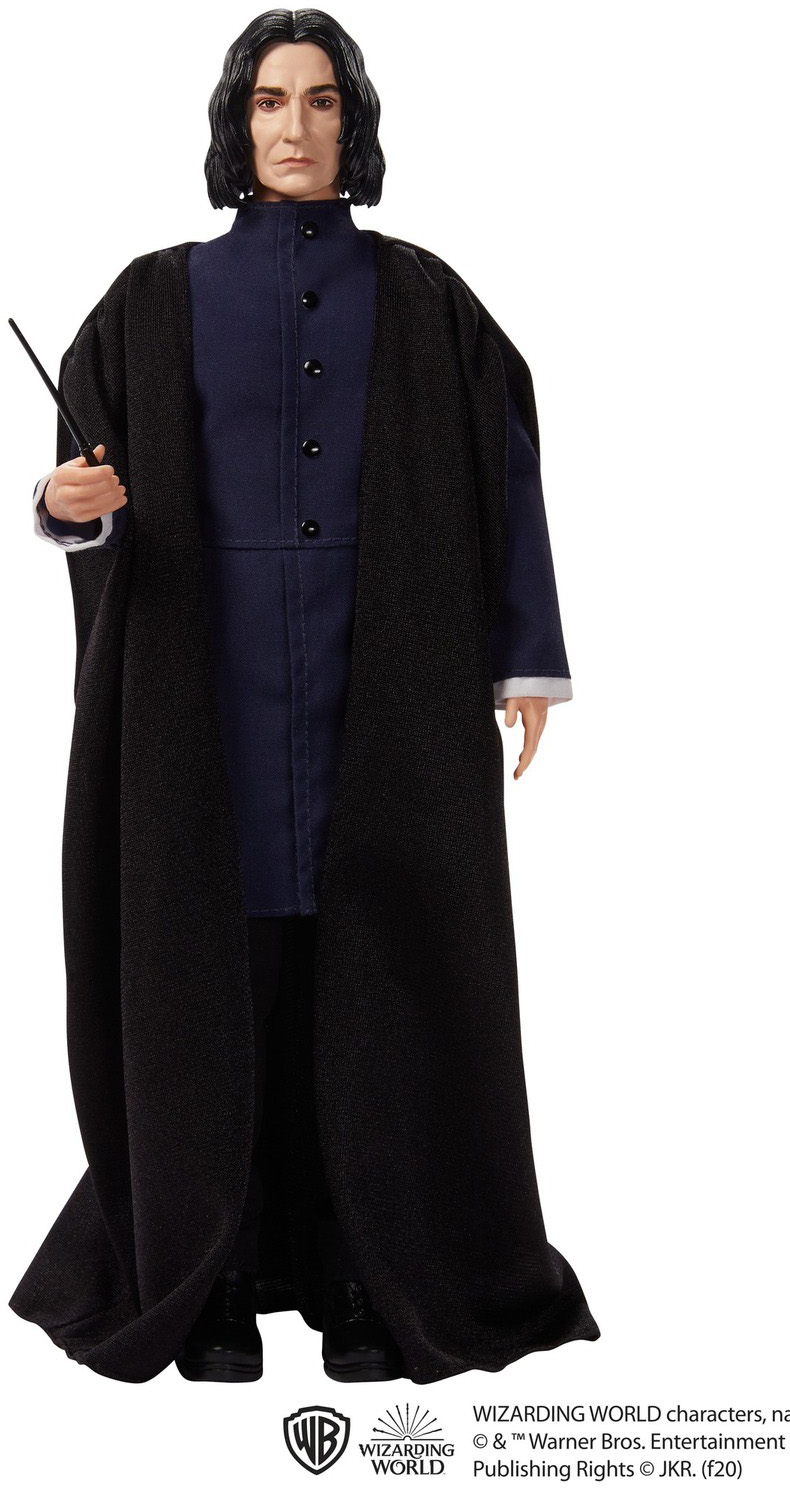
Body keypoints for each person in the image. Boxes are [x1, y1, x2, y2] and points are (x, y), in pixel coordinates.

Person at [10, 7, 599, 1385]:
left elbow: (507, 477)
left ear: (354, 122)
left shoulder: (429, 300)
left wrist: (522, 658)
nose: (294, 125)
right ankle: (210, 1274)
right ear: (237, 121)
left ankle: (364, 1275)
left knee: (381, 978)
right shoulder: (150, 300)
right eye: (270, 100)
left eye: (321, 100)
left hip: (383, 693)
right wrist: (64, 504)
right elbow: (87, 481)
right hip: (199, 707)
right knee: (212, 980)